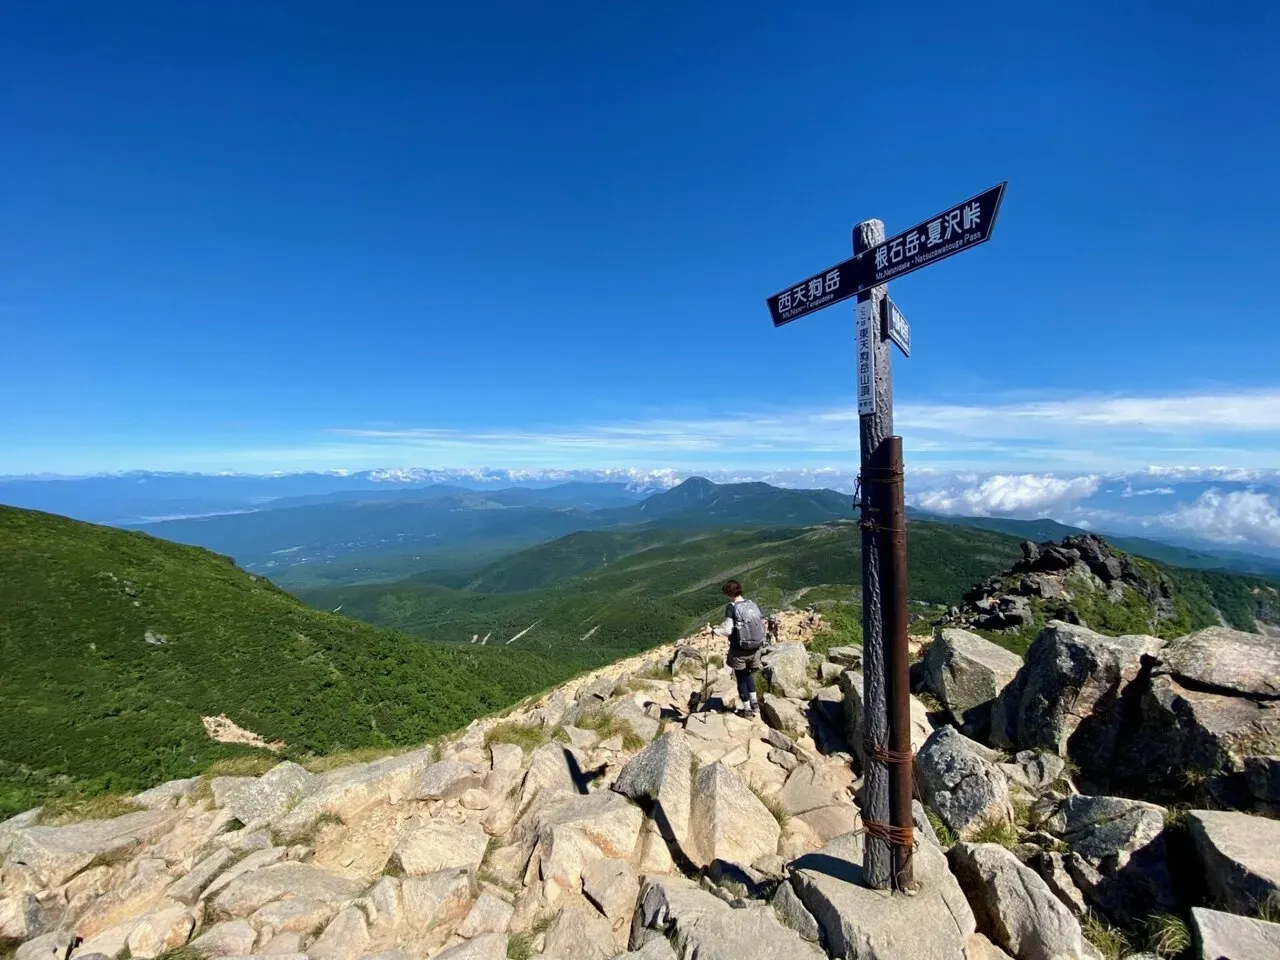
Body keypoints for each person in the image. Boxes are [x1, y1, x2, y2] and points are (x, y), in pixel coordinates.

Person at [709, 579, 769, 718]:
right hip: (755, 648)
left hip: (739, 650)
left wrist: (714, 631)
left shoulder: (731, 607)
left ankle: (747, 709)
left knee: (740, 678)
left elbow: (728, 630)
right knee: (748, 674)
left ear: (728, 593)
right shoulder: (751, 604)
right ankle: (755, 704)